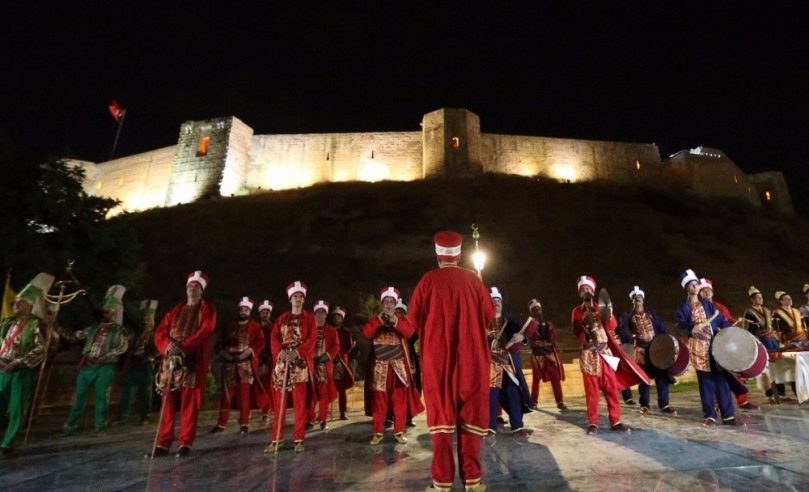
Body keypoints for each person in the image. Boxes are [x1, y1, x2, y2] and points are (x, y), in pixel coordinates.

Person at [409, 230, 494, 492]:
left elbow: (412, 320)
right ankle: (473, 481)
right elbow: (490, 316)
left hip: (438, 360)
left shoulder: (428, 280)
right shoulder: (473, 279)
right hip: (472, 359)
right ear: (458, 255)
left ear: (438, 255)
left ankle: (442, 482)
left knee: (442, 418)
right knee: (470, 416)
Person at [148, 271, 217, 458]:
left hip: (191, 362)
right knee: (167, 402)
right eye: (190, 287)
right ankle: (162, 443)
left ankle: (185, 442)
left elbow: (205, 332)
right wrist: (167, 346)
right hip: (169, 360)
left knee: (189, 404)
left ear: (201, 291)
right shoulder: (175, 310)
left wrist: (183, 348)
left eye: (196, 287)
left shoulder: (207, 310)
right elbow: (160, 332)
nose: (192, 289)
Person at [54, 285, 129, 437]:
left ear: (115, 312)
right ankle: (69, 427)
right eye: (105, 310)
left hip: (105, 368)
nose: (106, 313)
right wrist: (57, 327)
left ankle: (100, 427)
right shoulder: (93, 328)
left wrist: (105, 356)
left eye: (109, 310)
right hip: (87, 367)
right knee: (78, 398)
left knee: (102, 399)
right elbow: (74, 336)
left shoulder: (120, 331)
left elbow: (122, 347)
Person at [675, 270, 742, 428]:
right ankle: (710, 415)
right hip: (698, 346)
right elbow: (680, 323)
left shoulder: (707, 305)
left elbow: (720, 320)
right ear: (687, 288)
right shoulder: (683, 307)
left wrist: (730, 329)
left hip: (714, 345)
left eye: (696, 283)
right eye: (693, 284)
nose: (696, 286)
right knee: (705, 381)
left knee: (721, 379)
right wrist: (692, 326)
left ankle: (728, 415)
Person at [0, 273, 53, 458]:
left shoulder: (35, 325)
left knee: (16, 408)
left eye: (20, 302)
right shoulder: (7, 324)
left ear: (30, 306)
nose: (15, 305)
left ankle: (7, 444)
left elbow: (41, 349)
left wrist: (19, 362)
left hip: (21, 372)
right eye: (15, 302)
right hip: (2, 370)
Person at [571, 276, 631, 434]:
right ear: (580, 293)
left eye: (588, 289)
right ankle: (593, 423)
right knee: (592, 392)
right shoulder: (577, 311)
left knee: (611, 389)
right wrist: (585, 329)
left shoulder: (600, 307)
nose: (586, 291)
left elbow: (612, 326)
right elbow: (577, 331)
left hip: (605, 353)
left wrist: (608, 313)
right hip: (589, 354)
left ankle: (616, 420)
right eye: (583, 289)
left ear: (593, 291)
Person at [363, 286, 423, 445]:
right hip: (380, 367)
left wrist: (395, 321)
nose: (389, 305)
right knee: (379, 401)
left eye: (391, 302)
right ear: (382, 304)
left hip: (398, 367)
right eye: (386, 302)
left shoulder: (401, 319)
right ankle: (377, 432)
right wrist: (380, 321)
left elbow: (410, 333)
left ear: (395, 304)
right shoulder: (375, 320)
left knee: (400, 400)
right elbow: (367, 334)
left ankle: (399, 431)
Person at [267, 281, 316, 453]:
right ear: (290, 299)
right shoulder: (282, 318)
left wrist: (297, 352)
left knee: (299, 403)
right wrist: (280, 353)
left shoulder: (310, 318)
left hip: (299, 364)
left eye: (300, 297)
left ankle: (298, 438)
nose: (298, 299)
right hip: (282, 364)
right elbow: (273, 338)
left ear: (304, 299)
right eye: (295, 297)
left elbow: (312, 339)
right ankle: (276, 439)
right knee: (279, 403)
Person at [698, 278, 759, 410]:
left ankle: (743, 401)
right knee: (713, 376)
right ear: (699, 293)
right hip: (707, 346)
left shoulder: (721, 307)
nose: (707, 293)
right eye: (703, 291)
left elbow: (729, 322)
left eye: (708, 290)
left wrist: (734, 327)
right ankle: (715, 403)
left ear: (712, 292)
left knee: (735, 370)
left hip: (725, 344)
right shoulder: (697, 309)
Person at [211, 297, 265, 434]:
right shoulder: (230, 325)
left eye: (246, 309)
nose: (243, 311)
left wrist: (248, 352)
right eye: (242, 309)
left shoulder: (255, 326)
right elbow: (218, 343)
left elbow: (261, 343)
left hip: (245, 364)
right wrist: (224, 354)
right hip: (229, 363)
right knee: (227, 396)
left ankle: (244, 423)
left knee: (244, 396)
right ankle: (221, 423)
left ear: (250, 311)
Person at [619, 286, 676, 415]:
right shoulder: (628, 315)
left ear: (643, 299)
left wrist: (667, 339)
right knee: (643, 378)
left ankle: (664, 404)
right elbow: (623, 330)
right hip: (640, 350)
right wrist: (630, 337)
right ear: (632, 301)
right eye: (635, 297)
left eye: (640, 297)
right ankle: (645, 404)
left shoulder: (651, 313)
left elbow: (661, 327)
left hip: (655, 348)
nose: (637, 298)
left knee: (661, 376)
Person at [487, 287, 530, 436]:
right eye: (494, 301)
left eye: (499, 301)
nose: (497, 303)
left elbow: (523, 331)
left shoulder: (510, 320)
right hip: (490, 365)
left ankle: (517, 426)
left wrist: (522, 338)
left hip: (507, 364)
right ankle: (490, 427)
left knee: (514, 394)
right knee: (491, 397)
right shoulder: (483, 321)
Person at [744, 286, 793, 403]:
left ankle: (781, 393)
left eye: (761, 297)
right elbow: (747, 329)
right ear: (752, 299)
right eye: (758, 298)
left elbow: (773, 326)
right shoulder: (749, 312)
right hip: (760, 341)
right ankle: (769, 394)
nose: (760, 299)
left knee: (777, 366)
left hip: (771, 341)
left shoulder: (767, 310)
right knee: (765, 368)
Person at [115, 300, 158, 425]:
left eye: (148, 319)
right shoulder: (136, 334)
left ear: (152, 321)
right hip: (133, 364)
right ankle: (122, 416)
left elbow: (159, 348)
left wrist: (152, 356)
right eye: (144, 319)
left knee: (145, 393)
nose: (146, 322)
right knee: (127, 391)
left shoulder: (155, 335)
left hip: (146, 365)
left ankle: (145, 416)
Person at [526, 298, 567, 410]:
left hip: (549, 355)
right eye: (535, 309)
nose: (537, 311)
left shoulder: (548, 323)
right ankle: (533, 401)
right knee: (536, 380)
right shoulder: (530, 325)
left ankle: (560, 401)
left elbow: (552, 337)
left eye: (538, 308)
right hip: (538, 356)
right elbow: (530, 338)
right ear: (532, 311)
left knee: (555, 379)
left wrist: (545, 328)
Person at [308, 300, 339, 431]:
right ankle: (308, 419)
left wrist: (327, 355)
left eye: (322, 312)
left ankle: (323, 419)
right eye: (318, 312)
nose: (320, 315)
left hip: (324, 366)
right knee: (309, 394)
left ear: (326, 315)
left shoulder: (331, 330)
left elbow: (336, 345)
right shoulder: (308, 329)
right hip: (309, 366)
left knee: (324, 395)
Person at [330, 305, 355, 420]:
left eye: (338, 317)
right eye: (335, 317)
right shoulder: (329, 330)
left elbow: (348, 346)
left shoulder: (346, 332)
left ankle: (343, 411)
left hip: (341, 360)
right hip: (329, 360)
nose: (336, 319)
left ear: (342, 319)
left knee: (342, 387)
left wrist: (338, 354)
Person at [255, 300, 274, 422]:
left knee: (268, 386)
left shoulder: (273, 327)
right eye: (263, 312)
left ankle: (266, 411)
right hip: (254, 359)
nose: (265, 314)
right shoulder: (254, 327)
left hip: (269, 360)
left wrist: (267, 360)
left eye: (267, 312)